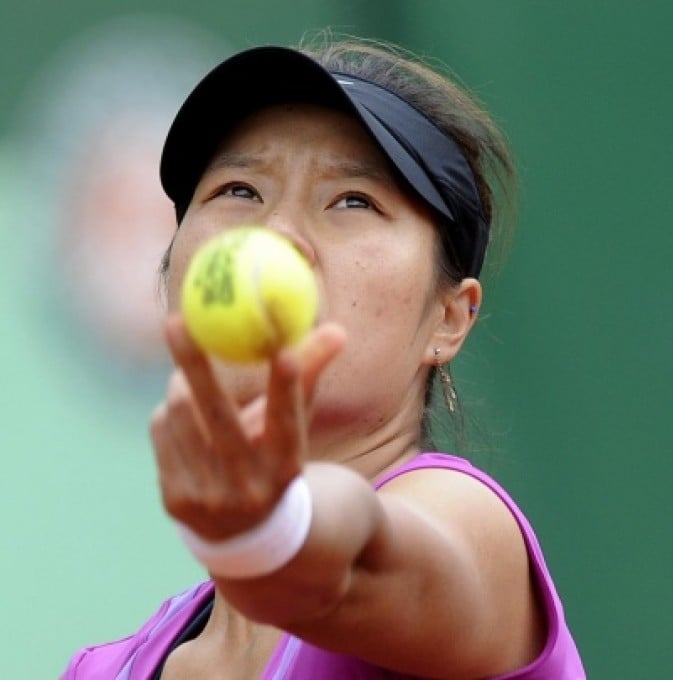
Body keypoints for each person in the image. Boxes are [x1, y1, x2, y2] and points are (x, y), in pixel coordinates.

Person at [61, 36, 585, 679]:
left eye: (354, 201)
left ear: (450, 318)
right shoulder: (100, 670)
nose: (275, 236)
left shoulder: (467, 528)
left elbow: (369, 558)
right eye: (239, 191)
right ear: (173, 278)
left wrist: (279, 528)